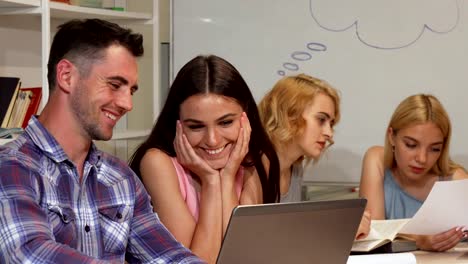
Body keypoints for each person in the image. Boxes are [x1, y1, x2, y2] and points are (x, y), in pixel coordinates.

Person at [0, 19, 203, 263]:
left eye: (131, 91)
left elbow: (169, 256)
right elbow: (29, 254)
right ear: (66, 76)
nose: (127, 104)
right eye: (115, 85)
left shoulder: (120, 177)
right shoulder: (11, 167)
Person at [129, 54, 280, 263]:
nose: (212, 140)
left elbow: (240, 257)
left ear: (246, 117)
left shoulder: (255, 161)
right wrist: (210, 181)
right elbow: (197, 261)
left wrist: (226, 178)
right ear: (177, 124)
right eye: (196, 126)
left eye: (225, 122)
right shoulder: (157, 162)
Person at [258, 73, 370, 240]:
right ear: (290, 115)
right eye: (321, 120)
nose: (329, 133)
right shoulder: (254, 168)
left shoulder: (295, 168)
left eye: (331, 123)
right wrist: (338, 228)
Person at [359, 93, 468, 251]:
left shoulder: (456, 180)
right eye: (411, 145)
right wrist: (418, 240)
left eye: (435, 149)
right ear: (391, 137)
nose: (422, 159)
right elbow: (372, 232)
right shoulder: (376, 159)